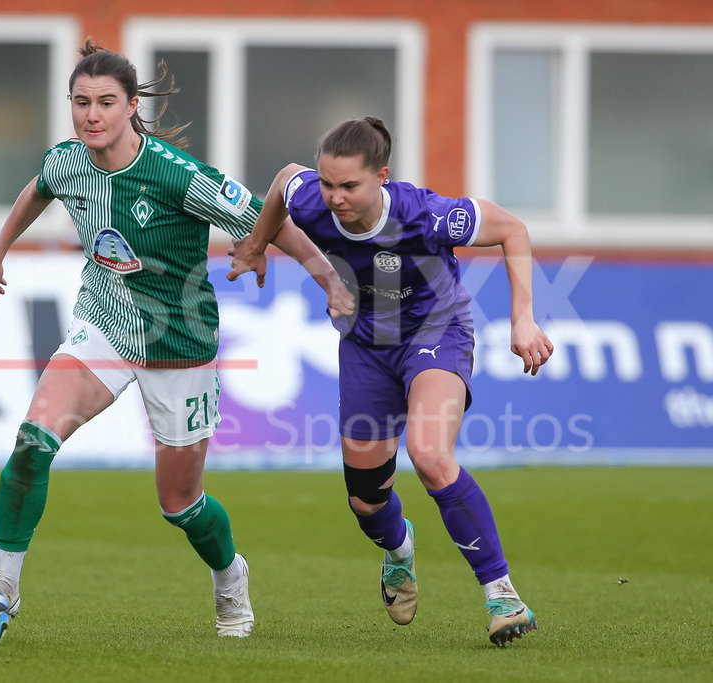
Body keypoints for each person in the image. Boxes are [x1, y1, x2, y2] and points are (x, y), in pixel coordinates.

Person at [0, 39, 343, 638]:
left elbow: (263, 218)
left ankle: (230, 576)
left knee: (180, 505)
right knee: (32, 441)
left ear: (129, 108)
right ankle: (3, 588)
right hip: (105, 323)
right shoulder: (68, 160)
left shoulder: (175, 174)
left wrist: (328, 278)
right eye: (80, 102)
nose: (91, 115)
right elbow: (38, 188)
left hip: (180, 344)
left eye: (105, 103)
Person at [227, 116, 554, 647]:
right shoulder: (311, 197)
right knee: (366, 503)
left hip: (437, 333)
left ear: (381, 176)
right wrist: (259, 243)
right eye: (328, 184)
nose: (335, 198)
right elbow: (285, 179)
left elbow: (511, 229)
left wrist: (523, 319)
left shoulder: (425, 215)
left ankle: (503, 595)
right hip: (365, 346)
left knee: (429, 454)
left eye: (350, 186)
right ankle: (399, 549)